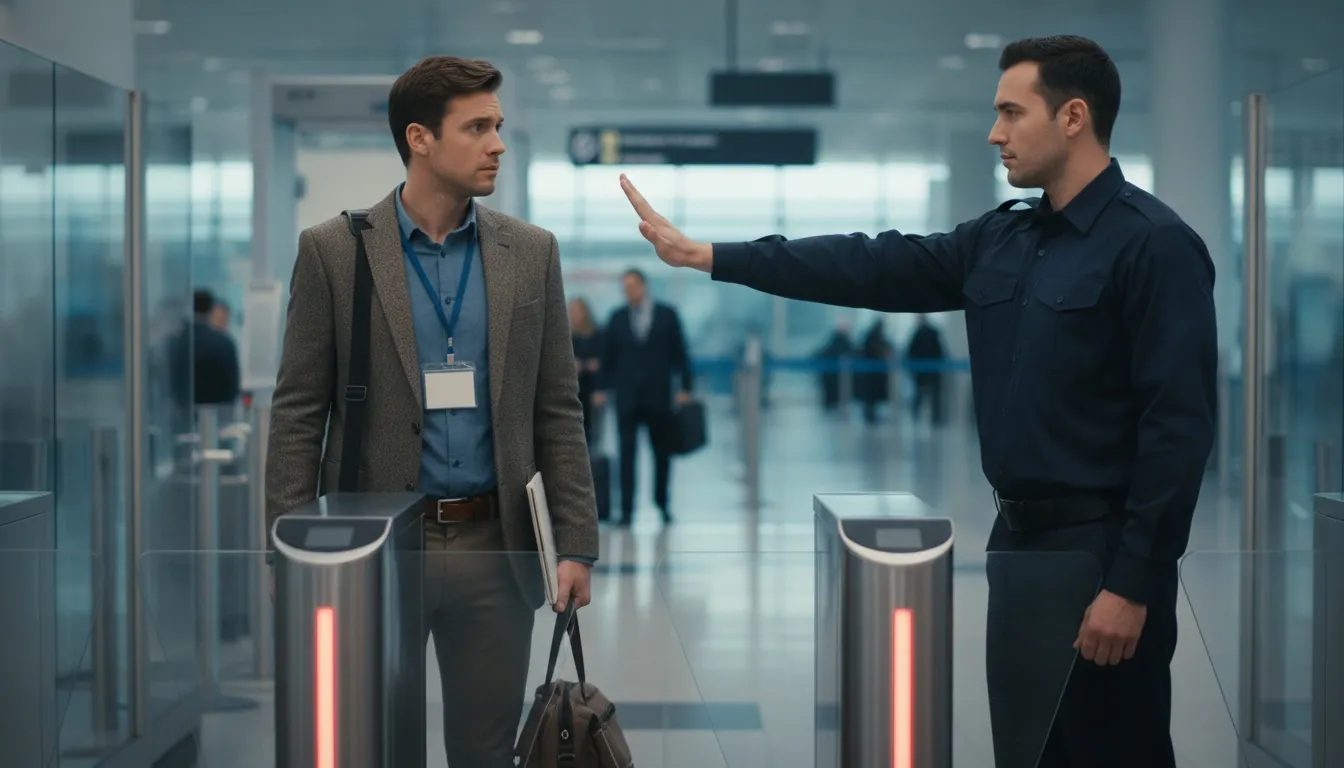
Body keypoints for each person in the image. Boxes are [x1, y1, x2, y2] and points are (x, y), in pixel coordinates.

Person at [619, 34, 1216, 768]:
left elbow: (1178, 432)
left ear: (1073, 117)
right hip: (1018, 551)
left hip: (1100, 555)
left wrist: (1132, 582)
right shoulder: (1001, 238)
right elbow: (867, 264)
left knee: (1113, 751)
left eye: (1010, 112)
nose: (994, 133)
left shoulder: (1153, 246)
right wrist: (711, 256)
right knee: (1030, 755)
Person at [265, 55, 599, 766]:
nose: (497, 144)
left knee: (485, 748)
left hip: (496, 545)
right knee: (373, 740)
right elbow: (298, 410)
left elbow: (557, 411)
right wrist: (288, 548)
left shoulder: (529, 253)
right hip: (374, 548)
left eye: (498, 126)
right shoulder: (334, 251)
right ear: (420, 139)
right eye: (477, 127)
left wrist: (575, 543)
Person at [593, 268, 693, 525]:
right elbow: (607, 358)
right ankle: (626, 510)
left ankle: (662, 504)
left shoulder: (666, 315)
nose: (628, 291)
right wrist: (601, 389)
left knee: (662, 453)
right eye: (624, 286)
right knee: (626, 455)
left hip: (658, 397)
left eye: (632, 285)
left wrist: (685, 388)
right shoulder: (616, 318)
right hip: (627, 398)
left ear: (644, 286)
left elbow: (680, 354)